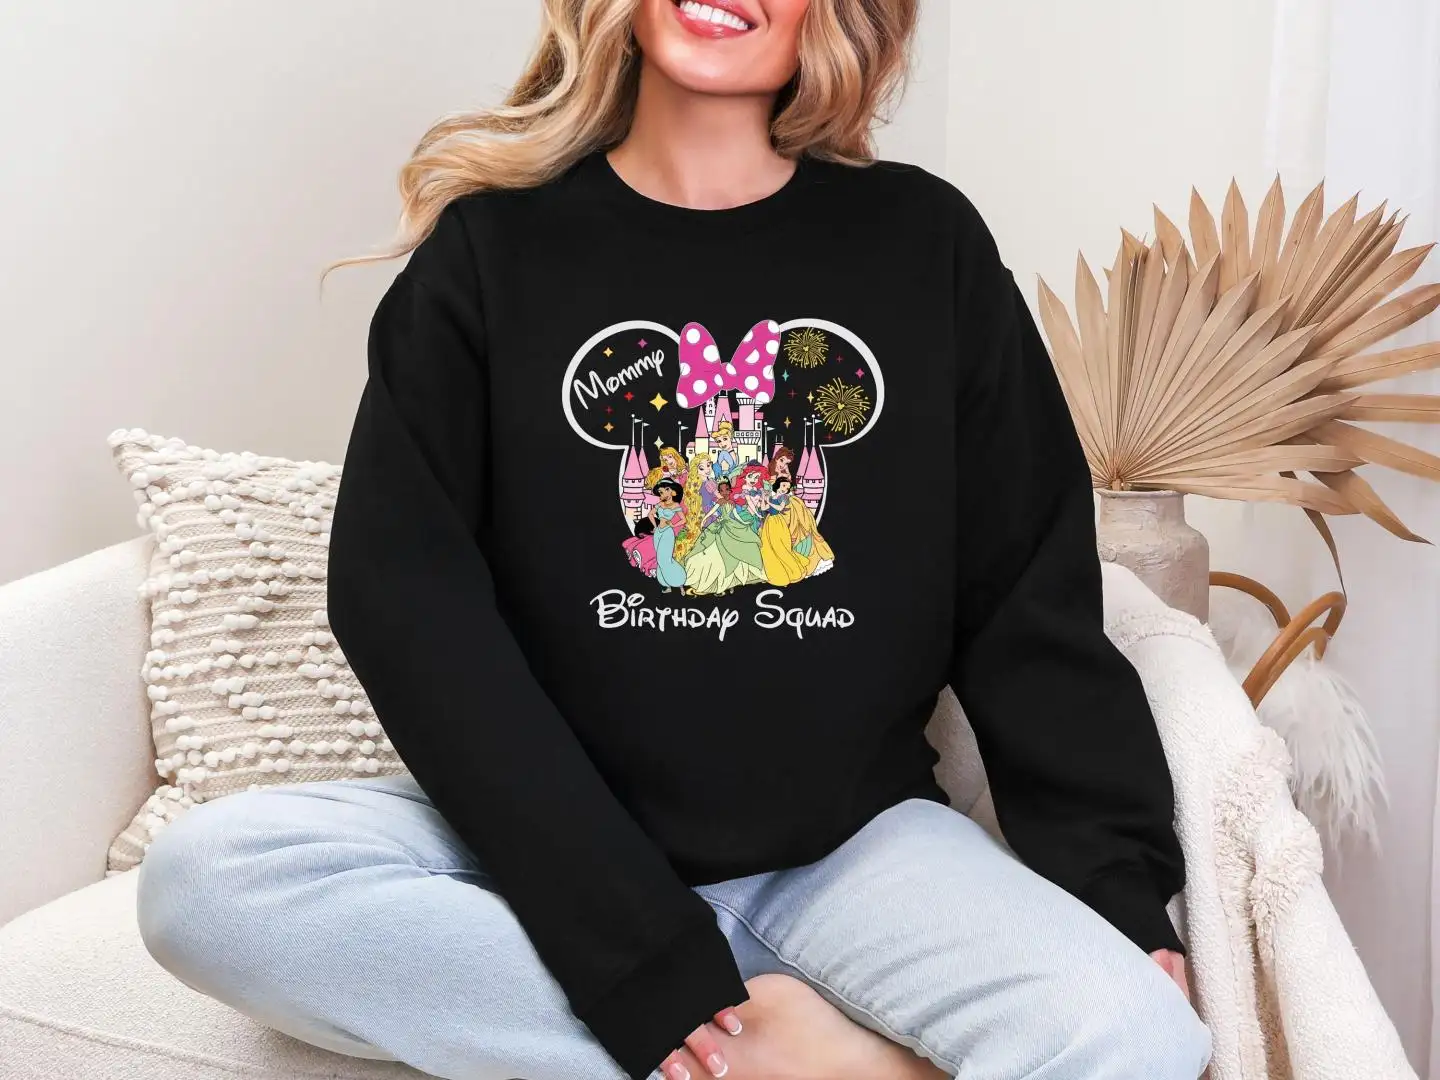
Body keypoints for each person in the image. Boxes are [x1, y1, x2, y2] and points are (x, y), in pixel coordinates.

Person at [134, 0, 1213, 1078]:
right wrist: (635, 956)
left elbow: (1027, 592)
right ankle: (784, 1063)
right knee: (209, 883)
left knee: (1138, 1034)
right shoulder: (492, 251)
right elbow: (405, 603)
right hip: (558, 853)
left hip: (852, 851)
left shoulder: (923, 242)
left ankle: (737, 1053)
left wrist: (1116, 885)